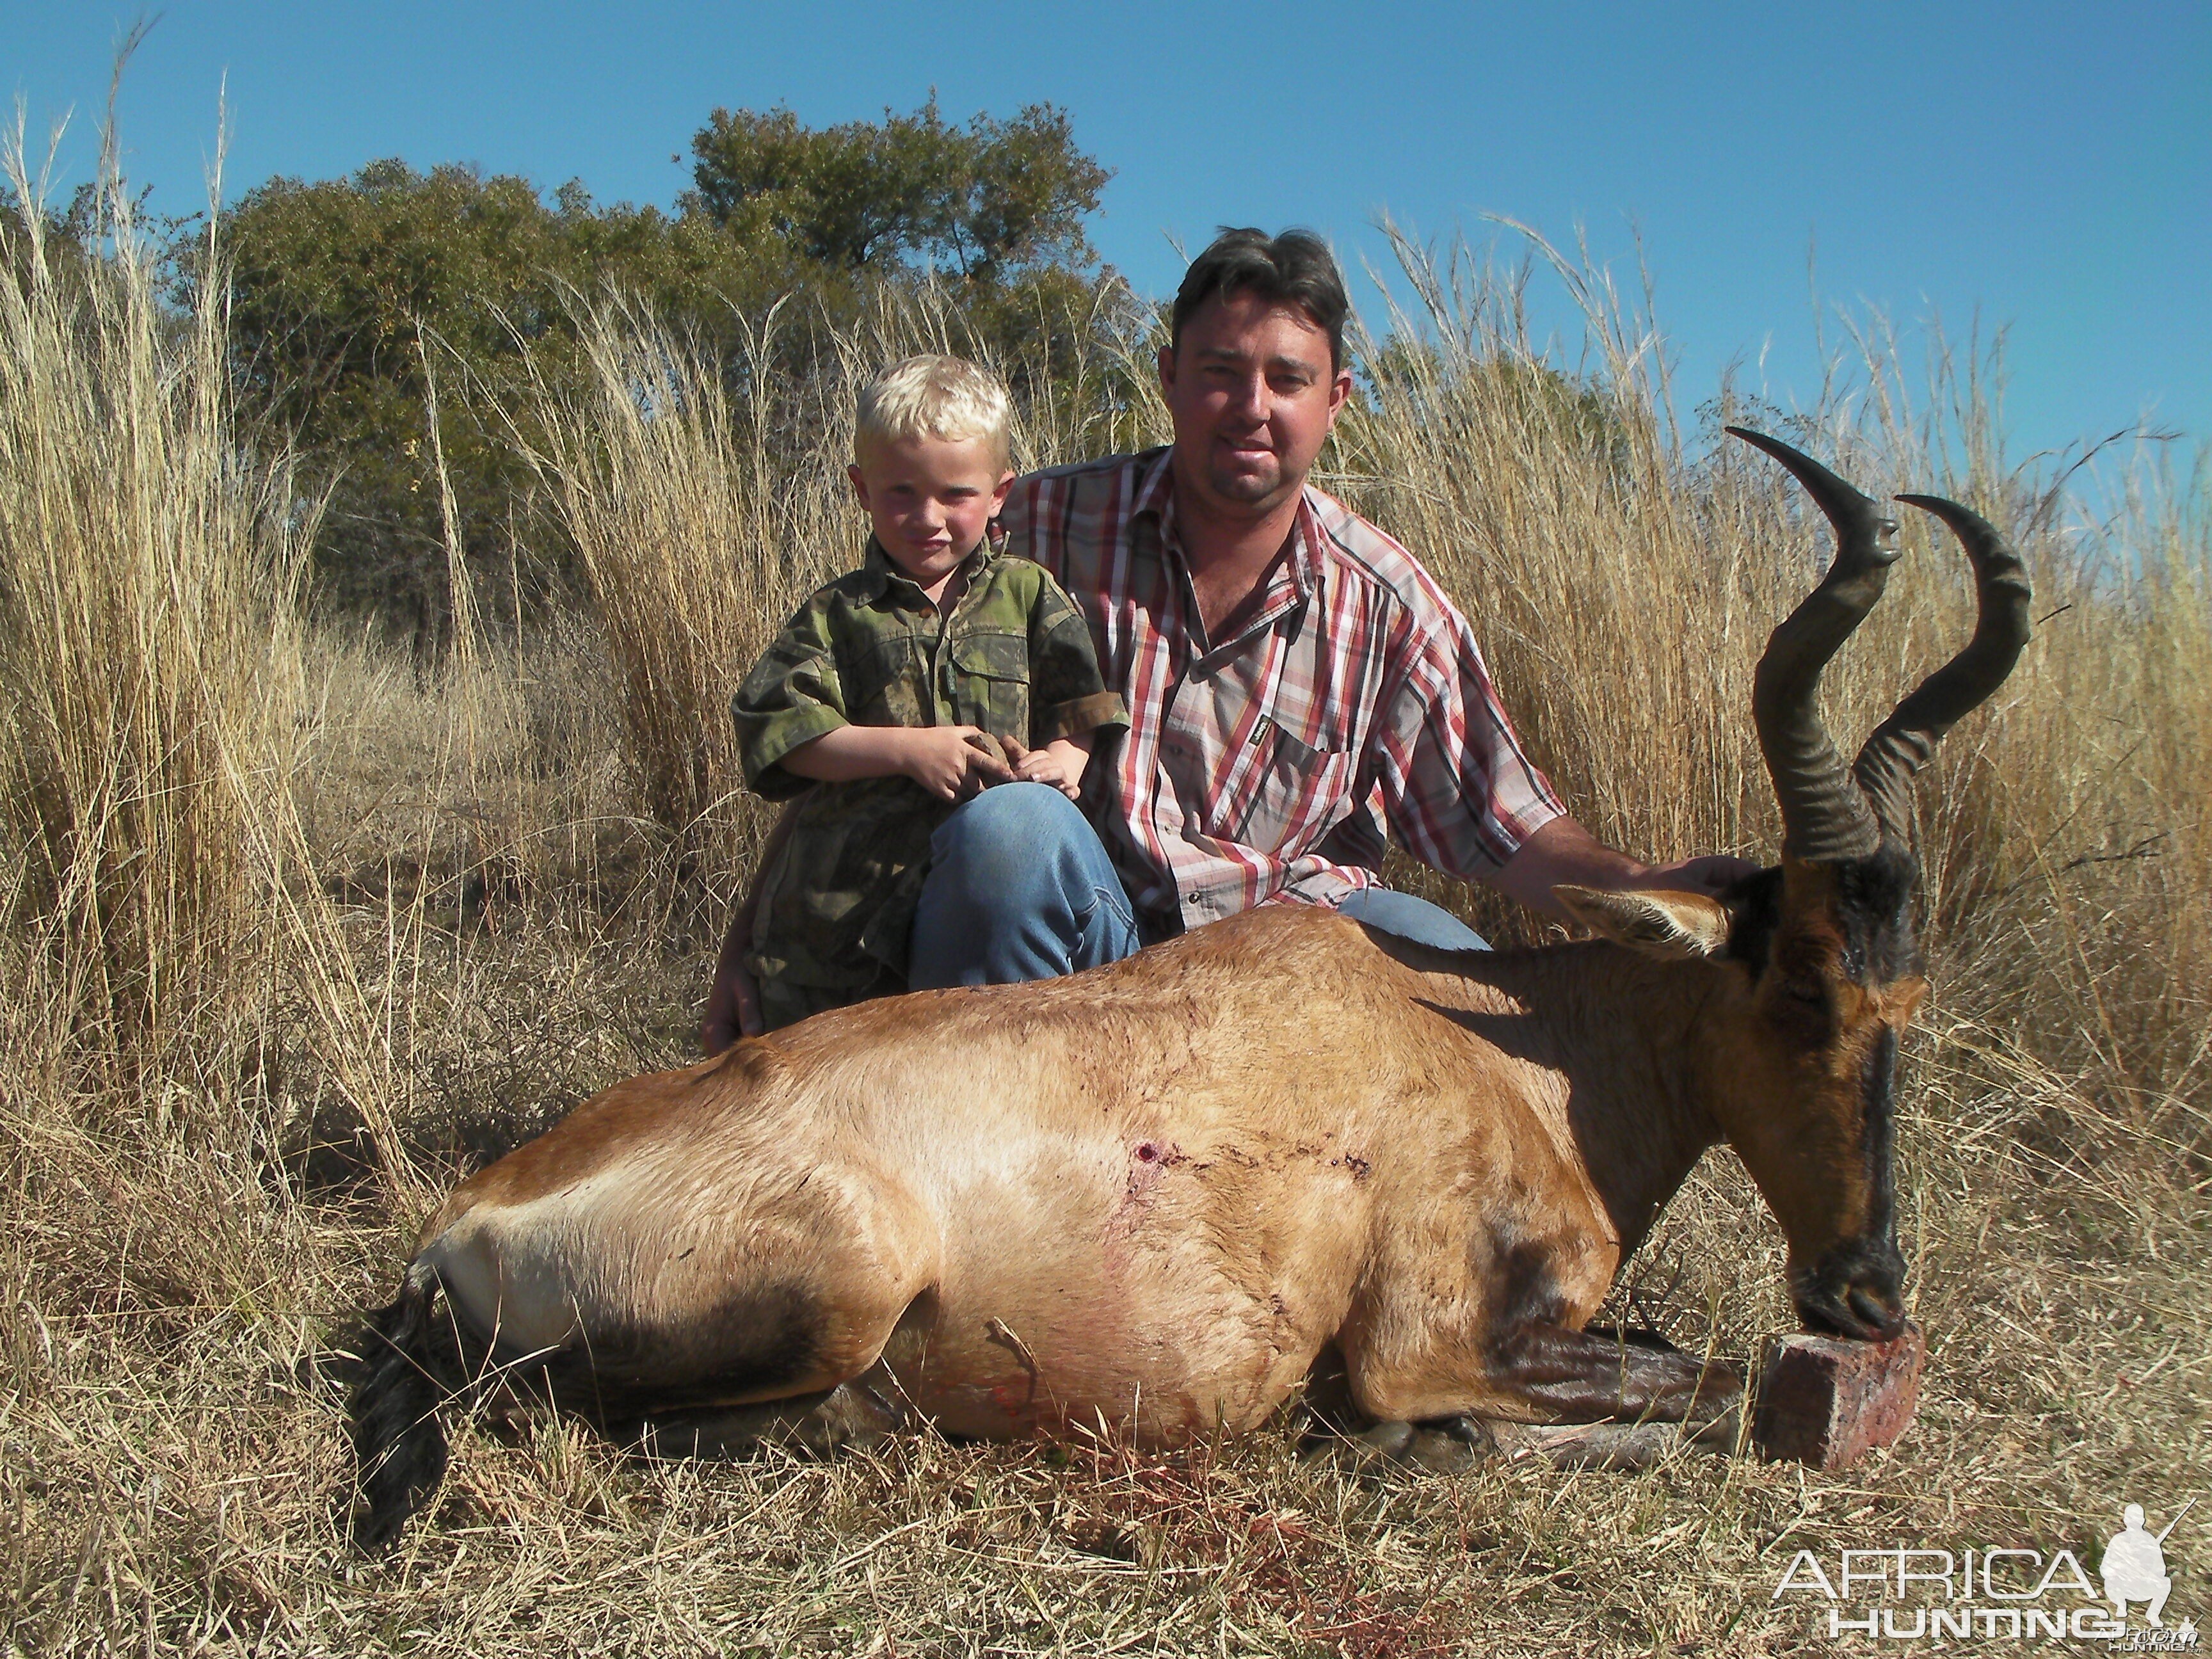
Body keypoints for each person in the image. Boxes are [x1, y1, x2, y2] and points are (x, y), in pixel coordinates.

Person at [703, 229, 1751, 1048]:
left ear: (1335, 399)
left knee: (1465, 967)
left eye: (1287, 379)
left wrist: (1651, 883)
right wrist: (757, 936)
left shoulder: (1386, 600)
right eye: (1219, 372)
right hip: (1082, 952)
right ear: (1166, 377)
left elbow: (1505, 825)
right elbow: (876, 718)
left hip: (1287, 970)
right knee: (1009, 832)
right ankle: (980, 1193)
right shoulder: (1034, 531)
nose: (1250, 408)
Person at [725, 354, 1127, 1032]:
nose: (927, 518)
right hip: (839, 926)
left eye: (955, 495)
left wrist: (1064, 761)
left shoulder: (1027, 594)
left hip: (971, 918)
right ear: (861, 488)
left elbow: (1080, 707)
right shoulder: (838, 613)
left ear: (1000, 493)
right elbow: (777, 730)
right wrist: (907, 751)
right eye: (901, 493)